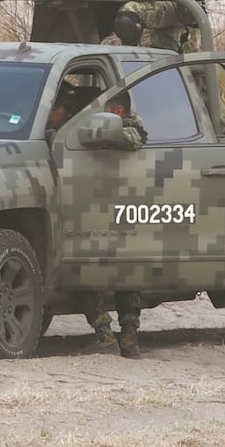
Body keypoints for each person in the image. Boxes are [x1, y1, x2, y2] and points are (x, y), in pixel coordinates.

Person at [82, 91, 148, 358]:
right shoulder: (122, 125)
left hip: (123, 209)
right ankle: (106, 336)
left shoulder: (133, 128)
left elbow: (132, 140)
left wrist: (100, 132)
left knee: (127, 275)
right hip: (103, 205)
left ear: (118, 112)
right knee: (89, 273)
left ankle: (128, 337)